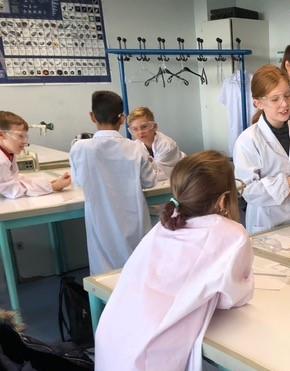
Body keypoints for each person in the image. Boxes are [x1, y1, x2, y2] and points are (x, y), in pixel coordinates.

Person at [94, 151, 254, 371]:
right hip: (152, 362)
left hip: (112, 346)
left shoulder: (163, 226)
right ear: (225, 199)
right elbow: (234, 296)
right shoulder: (230, 234)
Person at [69, 91, 157, 275]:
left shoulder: (80, 147)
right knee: (138, 267)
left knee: (104, 273)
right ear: (122, 118)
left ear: (92, 116)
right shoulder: (135, 147)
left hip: (100, 219)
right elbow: (150, 182)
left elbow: (77, 182)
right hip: (134, 218)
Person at [234, 64, 290, 234]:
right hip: (266, 225)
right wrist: (289, 184)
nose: (284, 104)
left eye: (287, 96)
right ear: (258, 103)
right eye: (275, 99)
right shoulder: (248, 140)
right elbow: (248, 190)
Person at [0, 111, 71, 199]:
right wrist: (53, 187)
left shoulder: (9, 153)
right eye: (20, 136)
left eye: (25, 137)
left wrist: (49, 184)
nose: (25, 141)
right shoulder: (1, 161)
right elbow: (13, 191)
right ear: (1, 135)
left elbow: (16, 180)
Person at [127, 106, 185, 181]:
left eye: (144, 127)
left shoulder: (167, 145)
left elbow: (162, 174)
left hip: (178, 177)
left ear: (154, 126)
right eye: (135, 129)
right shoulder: (135, 145)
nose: (140, 132)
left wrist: (146, 164)